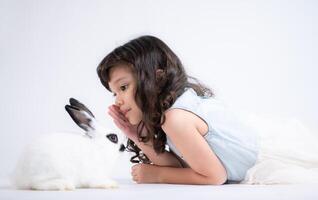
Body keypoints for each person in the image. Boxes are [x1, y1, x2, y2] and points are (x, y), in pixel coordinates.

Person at [96, 35, 259, 185]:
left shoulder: (175, 118)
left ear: (156, 78)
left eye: (124, 87)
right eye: (114, 93)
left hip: (261, 168)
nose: (118, 101)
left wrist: (157, 175)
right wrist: (137, 136)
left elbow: (215, 177)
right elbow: (181, 166)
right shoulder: (175, 111)